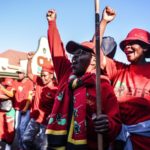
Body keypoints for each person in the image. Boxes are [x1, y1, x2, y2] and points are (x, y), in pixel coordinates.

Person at [45, 9, 121, 150]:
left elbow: (116, 124)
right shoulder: (65, 75)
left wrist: (108, 124)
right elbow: (56, 49)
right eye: (73, 54)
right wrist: (52, 23)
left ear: (94, 61)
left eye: (80, 54)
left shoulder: (102, 86)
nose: (74, 58)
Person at [99, 6, 150, 150]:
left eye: (132, 43)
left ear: (145, 48)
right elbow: (95, 53)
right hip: (117, 140)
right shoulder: (119, 69)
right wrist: (104, 22)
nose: (127, 47)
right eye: (125, 44)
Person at [22, 53, 58, 150]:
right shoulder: (39, 81)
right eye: (41, 75)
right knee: (26, 140)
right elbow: (29, 74)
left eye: (45, 75)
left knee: (44, 147)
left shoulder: (56, 88)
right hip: (34, 119)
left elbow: (59, 106)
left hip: (46, 123)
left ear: (51, 75)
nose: (42, 77)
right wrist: (29, 60)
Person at [13, 68, 34, 150]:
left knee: (22, 128)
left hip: (26, 109)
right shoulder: (16, 82)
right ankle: (20, 146)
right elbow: (12, 92)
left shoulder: (29, 82)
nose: (19, 74)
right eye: (18, 73)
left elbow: (30, 96)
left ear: (24, 73)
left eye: (20, 73)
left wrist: (25, 108)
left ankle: (24, 147)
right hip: (18, 108)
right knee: (17, 128)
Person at [0, 78, 15, 150]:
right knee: (2, 129)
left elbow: (11, 95)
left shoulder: (11, 88)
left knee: (10, 129)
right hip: (1, 110)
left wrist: (2, 90)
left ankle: (8, 145)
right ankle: (4, 142)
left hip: (9, 111)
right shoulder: (3, 87)